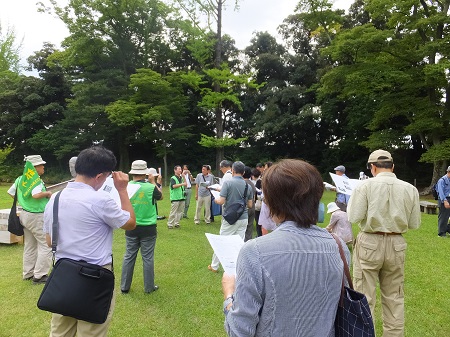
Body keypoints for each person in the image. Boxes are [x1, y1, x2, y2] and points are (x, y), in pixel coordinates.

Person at [221, 159, 350, 336]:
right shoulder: (339, 247)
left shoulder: (254, 252)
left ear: (273, 203)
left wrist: (229, 295)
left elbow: (239, 330)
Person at [43, 146, 136, 337]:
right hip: (95, 276)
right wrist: (122, 190)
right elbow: (130, 223)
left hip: (63, 275)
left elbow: (49, 240)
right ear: (100, 176)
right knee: (91, 332)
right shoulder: (100, 199)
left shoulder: (55, 198)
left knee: (60, 332)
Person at [347, 149, 421, 337]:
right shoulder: (409, 189)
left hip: (369, 242)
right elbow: (414, 223)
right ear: (392, 166)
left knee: (364, 297)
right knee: (395, 298)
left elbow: (353, 216)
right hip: (396, 243)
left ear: (372, 167)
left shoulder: (364, 187)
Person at [7, 155, 52, 284]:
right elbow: (36, 195)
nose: (43, 167)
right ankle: (40, 275)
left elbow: (11, 193)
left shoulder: (20, 179)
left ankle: (28, 273)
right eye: (41, 165)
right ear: (34, 167)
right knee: (46, 244)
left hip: (24, 215)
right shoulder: (35, 180)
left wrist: (23, 202)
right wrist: (47, 194)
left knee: (30, 245)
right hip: (36, 216)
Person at [121, 160, 162, 294]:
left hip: (131, 226)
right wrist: (153, 181)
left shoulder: (126, 187)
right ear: (146, 173)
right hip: (148, 227)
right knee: (148, 258)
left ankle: (124, 286)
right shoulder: (150, 187)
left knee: (129, 256)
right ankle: (149, 287)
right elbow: (160, 196)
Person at [208, 161, 253, 272]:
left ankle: (214, 266)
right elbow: (250, 205)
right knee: (239, 243)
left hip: (230, 218)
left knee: (222, 240)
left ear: (232, 170)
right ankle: (237, 266)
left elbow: (221, 201)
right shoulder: (248, 185)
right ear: (243, 172)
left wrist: (217, 199)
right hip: (243, 218)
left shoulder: (228, 183)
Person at [436, 166, 450, 237]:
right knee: (444, 217)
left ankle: (448, 229)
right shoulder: (442, 180)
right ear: (448, 172)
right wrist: (445, 201)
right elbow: (441, 192)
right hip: (444, 199)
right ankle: (441, 233)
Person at [243, 166, 256, 241]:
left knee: (242, 229)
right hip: (252, 207)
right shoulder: (252, 184)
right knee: (249, 228)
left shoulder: (242, 184)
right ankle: (248, 242)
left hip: (245, 208)